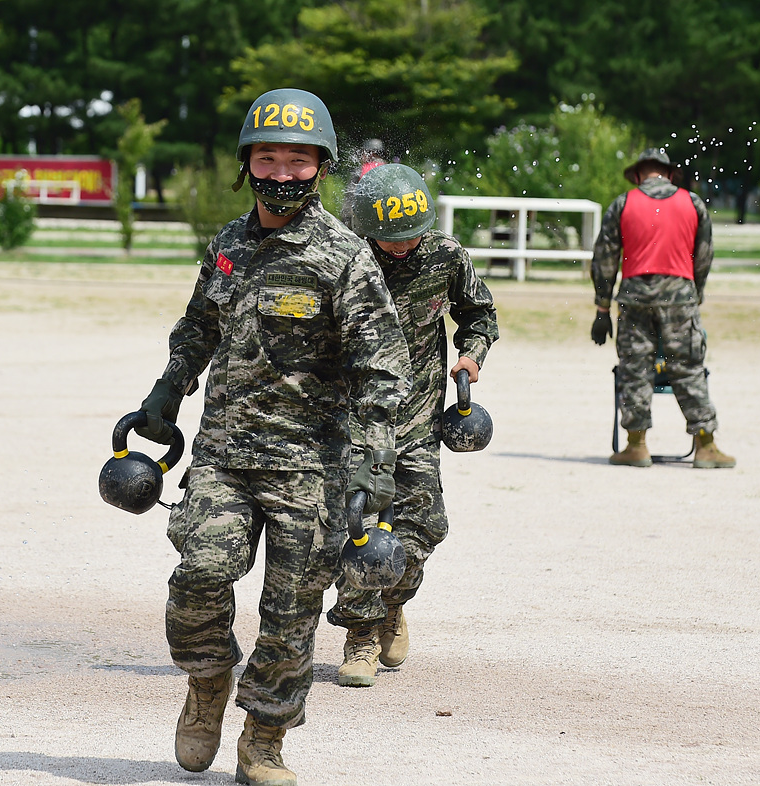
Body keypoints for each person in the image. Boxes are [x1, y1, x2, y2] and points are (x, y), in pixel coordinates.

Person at [133, 88, 412, 786]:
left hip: (310, 468)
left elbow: (382, 370)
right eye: (268, 158)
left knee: (289, 616)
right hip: (224, 455)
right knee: (198, 578)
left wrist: (371, 470)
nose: (281, 173)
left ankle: (263, 742)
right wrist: (166, 392)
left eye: (297, 160)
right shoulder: (227, 244)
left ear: (321, 167)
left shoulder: (345, 257)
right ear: (246, 163)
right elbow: (199, 326)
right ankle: (206, 688)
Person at [328, 163, 498, 687]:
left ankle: (392, 603)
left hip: (420, 416)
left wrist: (472, 356)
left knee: (423, 528)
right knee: (358, 524)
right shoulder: (345, 260)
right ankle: (359, 636)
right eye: (390, 239)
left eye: (411, 236)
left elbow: (480, 315)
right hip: (356, 419)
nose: (402, 247)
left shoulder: (446, 255)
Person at [591, 147, 735, 469]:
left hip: (634, 297)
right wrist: (693, 293)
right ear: (669, 173)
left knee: (635, 368)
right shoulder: (693, 203)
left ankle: (636, 446)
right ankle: (706, 447)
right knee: (687, 366)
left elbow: (604, 258)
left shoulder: (622, 203)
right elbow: (705, 254)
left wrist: (602, 307)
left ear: (639, 174)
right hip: (680, 295)